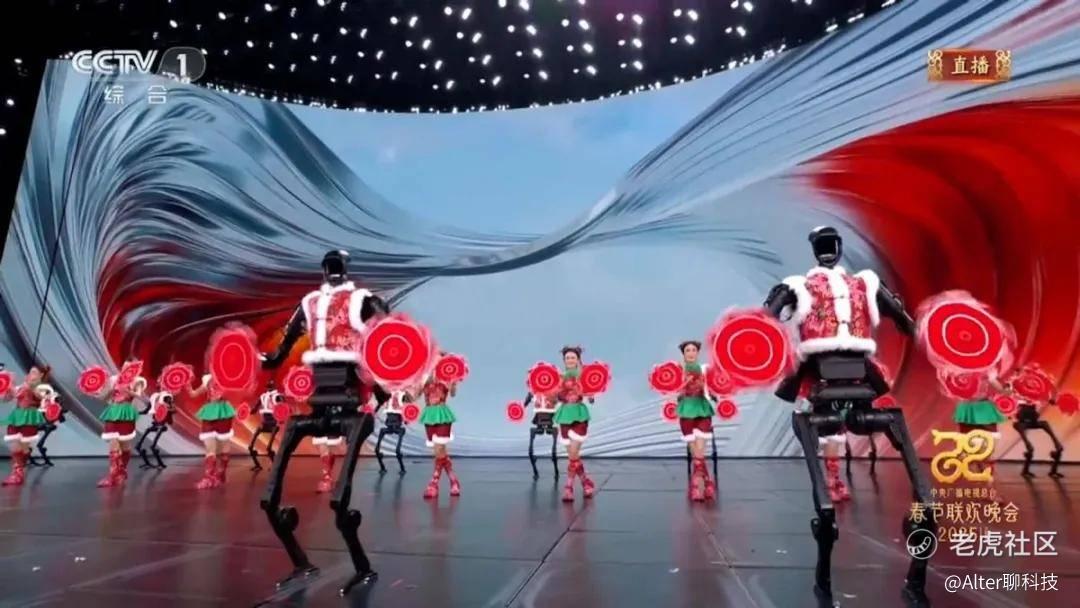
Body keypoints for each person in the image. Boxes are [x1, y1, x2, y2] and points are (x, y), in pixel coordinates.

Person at [551, 346, 596, 502]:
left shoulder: (583, 375)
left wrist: (591, 395)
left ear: (578, 359)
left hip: (579, 415)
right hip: (564, 416)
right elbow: (554, 398)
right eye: (567, 358)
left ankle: (569, 486)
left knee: (574, 453)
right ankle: (585, 482)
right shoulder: (559, 377)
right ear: (564, 360)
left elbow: (591, 395)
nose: (570, 360)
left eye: (573, 357)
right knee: (572, 456)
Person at [675, 341, 717, 501]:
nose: (691, 353)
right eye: (688, 350)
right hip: (686, 412)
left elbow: (713, 390)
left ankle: (696, 486)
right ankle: (707, 483)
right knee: (697, 455)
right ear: (684, 354)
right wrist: (681, 388)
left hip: (703, 410)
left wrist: (714, 393)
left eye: (694, 350)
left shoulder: (705, 369)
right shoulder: (678, 371)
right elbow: (674, 394)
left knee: (699, 452)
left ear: (698, 353)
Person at [95, 363, 148, 488]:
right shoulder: (114, 379)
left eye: (129, 367)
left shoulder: (137, 381)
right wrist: (109, 390)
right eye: (124, 366)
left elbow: (139, 395)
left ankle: (122, 470)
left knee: (125, 445)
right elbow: (104, 398)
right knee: (113, 441)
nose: (126, 369)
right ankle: (112, 475)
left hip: (126, 412)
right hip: (113, 411)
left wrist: (128, 391)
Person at [2, 366, 54, 486]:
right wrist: (8, 384)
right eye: (30, 372)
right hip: (17, 416)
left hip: (29, 417)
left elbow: (41, 397)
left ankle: (18, 472)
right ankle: (16, 474)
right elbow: (11, 396)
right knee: (15, 446)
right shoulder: (23, 385)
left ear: (41, 375)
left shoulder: (42, 387)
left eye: (34, 372)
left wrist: (29, 386)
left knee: (23, 447)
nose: (31, 374)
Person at [416, 364, 461, 499]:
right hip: (429, 415)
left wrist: (452, 383)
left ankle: (433, 483)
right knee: (438, 452)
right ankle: (453, 480)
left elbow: (453, 394)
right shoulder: (424, 377)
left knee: (439, 448)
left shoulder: (446, 376)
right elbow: (415, 395)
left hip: (442, 414)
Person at [191, 373, 236, 490]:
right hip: (210, 412)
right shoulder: (207, 379)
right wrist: (187, 384)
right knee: (210, 447)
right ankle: (208, 478)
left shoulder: (228, 377)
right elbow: (193, 394)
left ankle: (221, 473)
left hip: (223, 412)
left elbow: (234, 392)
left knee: (223, 448)